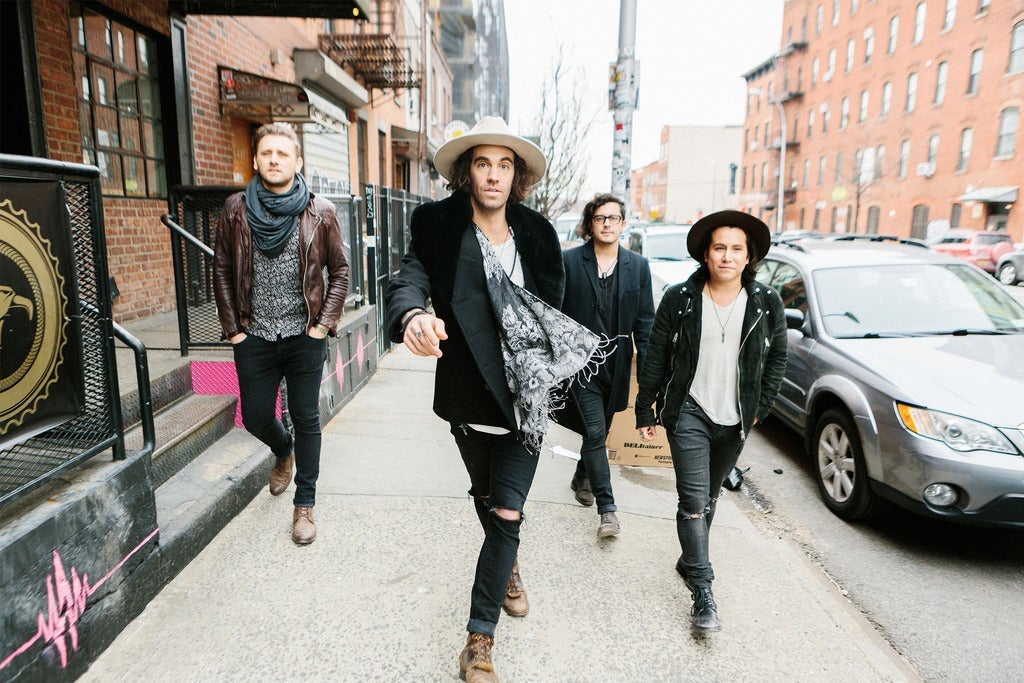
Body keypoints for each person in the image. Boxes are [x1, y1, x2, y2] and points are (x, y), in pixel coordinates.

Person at [385, 117, 601, 682]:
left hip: (528, 400)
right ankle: (507, 565)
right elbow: (410, 280)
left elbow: (560, 314)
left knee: (508, 510)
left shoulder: (538, 236)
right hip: (467, 397)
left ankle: (478, 641)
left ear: (518, 175)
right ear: (466, 171)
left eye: (505, 165)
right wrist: (413, 315)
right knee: (487, 500)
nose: (494, 175)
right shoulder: (437, 227)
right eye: (483, 163)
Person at [634, 210, 786, 634]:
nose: (727, 256)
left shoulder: (766, 302)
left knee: (711, 497)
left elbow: (777, 358)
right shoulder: (680, 298)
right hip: (690, 412)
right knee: (693, 501)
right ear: (706, 253)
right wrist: (645, 408)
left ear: (748, 257)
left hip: (736, 418)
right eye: (719, 247)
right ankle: (703, 591)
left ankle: (689, 559)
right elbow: (656, 354)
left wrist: (761, 406)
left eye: (737, 249)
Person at [213, 122, 349, 546]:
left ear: (297, 161)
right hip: (254, 335)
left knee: (307, 417)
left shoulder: (320, 211)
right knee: (255, 416)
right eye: (267, 153)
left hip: (303, 335)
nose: (274, 160)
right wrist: (234, 330)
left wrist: (321, 325)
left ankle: (304, 505)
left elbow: (340, 270)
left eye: (282, 153)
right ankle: (282, 449)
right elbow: (219, 269)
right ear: (255, 160)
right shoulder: (235, 210)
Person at [560, 193, 654, 537]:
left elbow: (645, 324)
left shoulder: (638, 267)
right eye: (600, 218)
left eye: (613, 218)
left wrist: (647, 380)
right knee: (597, 432)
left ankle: (582, 474)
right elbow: (554, 312)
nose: (607, 224)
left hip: (617, 365)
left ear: (623, 225)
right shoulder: (570, 262)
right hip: (582, 364)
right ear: (590, 224)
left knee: (598, 430)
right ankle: (608, 511)